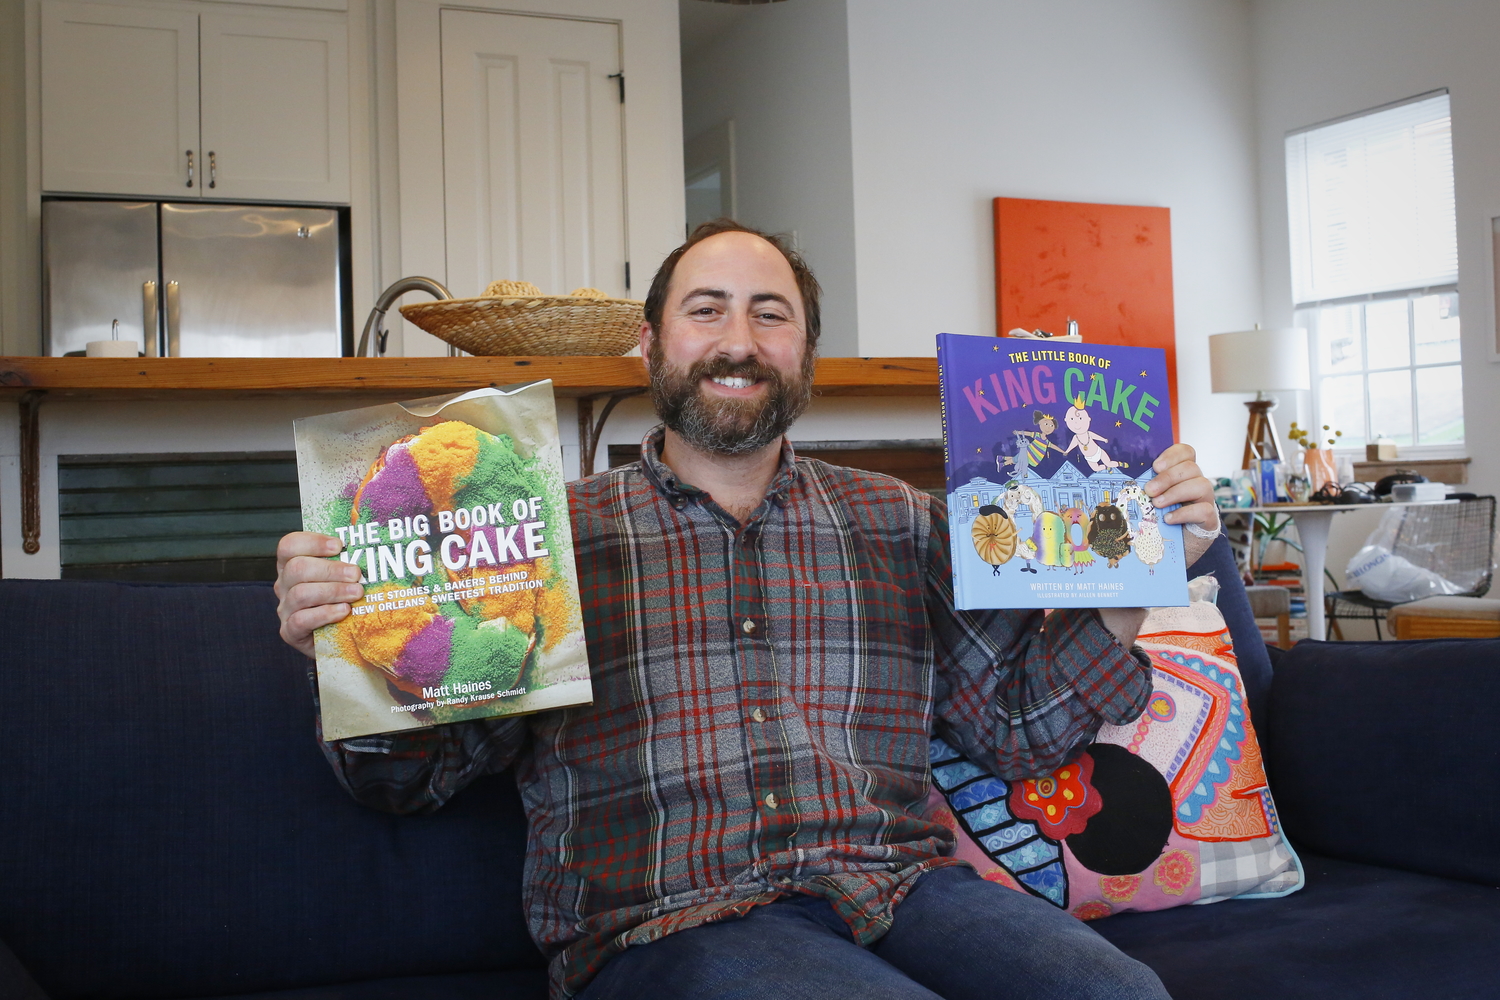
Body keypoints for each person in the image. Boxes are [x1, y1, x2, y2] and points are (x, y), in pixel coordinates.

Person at [275, 220, 1221, 1000]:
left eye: (772, 316)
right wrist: (348, 650)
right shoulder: (545, 536)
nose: (739, 340)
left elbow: (1016, 735)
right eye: (706, 311)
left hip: (897, 888)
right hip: (664, 926)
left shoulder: (905, 521)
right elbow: (407, 783)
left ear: (805, 351)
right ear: (648, 344)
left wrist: (1142, 584)